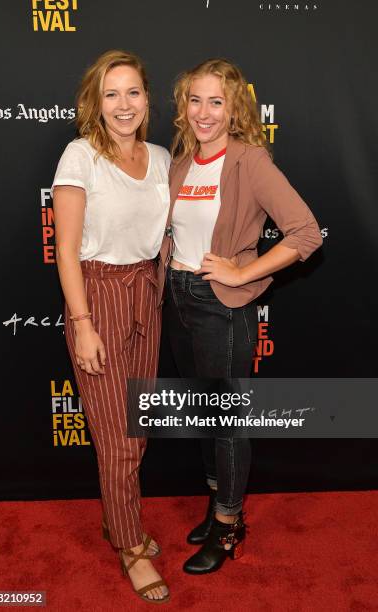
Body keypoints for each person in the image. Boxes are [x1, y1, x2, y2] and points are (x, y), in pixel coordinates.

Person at [157, 58, 323, 575]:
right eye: (195, 100)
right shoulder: (181, 162)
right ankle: (215, 507)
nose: (204, 112)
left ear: (235, 110)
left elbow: (306, 233)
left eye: (217, 101)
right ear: (183, 107)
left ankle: (229, 526)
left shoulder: (250, 160)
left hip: (219, 307)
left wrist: (239, 270)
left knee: (226, 423)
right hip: (177, 300)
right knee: (206, 416)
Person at [52, 50, 170, 603]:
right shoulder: (81, 156)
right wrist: (83, 324)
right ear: (95, 104)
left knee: (137, 426)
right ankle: (128, 543)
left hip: (148, 293)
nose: (124, 105)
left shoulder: (165, 158)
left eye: (133, 93)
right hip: (98, 296)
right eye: (111, 94)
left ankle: (116, 519)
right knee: (118, 436)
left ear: (147, 99)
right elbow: (66, 250)